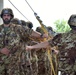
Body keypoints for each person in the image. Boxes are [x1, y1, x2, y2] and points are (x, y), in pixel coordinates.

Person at [0, 8, 48, 75]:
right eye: (4, 15)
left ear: (11, 16)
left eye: (8, 15)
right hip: (1, 64)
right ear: (2, 16)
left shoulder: (18, 28)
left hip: (14, 65)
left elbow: (30, 32)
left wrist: (42, 35)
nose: (6, 17)